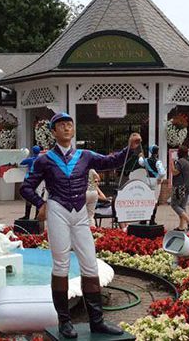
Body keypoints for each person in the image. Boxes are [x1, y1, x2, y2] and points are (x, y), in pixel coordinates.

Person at [20, 112, 139, 338]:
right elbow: (26, 187)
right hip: (57, 211)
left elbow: (110, 161)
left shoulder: (85, 155)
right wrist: (40, 203)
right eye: (61, 125)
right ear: (53, 132)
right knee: (61, 265)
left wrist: (129, 148)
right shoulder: (44, 160)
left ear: (73, 130)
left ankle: (97, 321)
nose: (66, 128)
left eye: (69, 125)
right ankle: (64, 322)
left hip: (80, 212)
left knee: (90, 264)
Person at [138, 145, 166, 225]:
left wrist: (140, 156)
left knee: (146, 200)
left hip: (147, 180)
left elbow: (140, 162)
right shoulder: (158, 162)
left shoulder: (145, 160)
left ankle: (143, 219)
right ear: (157, 152)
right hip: (155, 182)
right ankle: (152, 220)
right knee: (154, 201)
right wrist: (159, 178)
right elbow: (162, 172)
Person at [171, 145, 189, 232]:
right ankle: (181, 227)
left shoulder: (180, 162)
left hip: (180, 187)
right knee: (182, 207)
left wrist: (171, 163)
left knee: (174, 205)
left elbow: (174, 172)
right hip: (188, 187)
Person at [20, 145, 42, 220]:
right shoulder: (42, 159)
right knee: (37, 197)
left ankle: (27, 216)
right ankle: (36, 216)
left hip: (30, 180)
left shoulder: (30, 160)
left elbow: (21, 162)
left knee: (28, 198)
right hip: (39, 181)